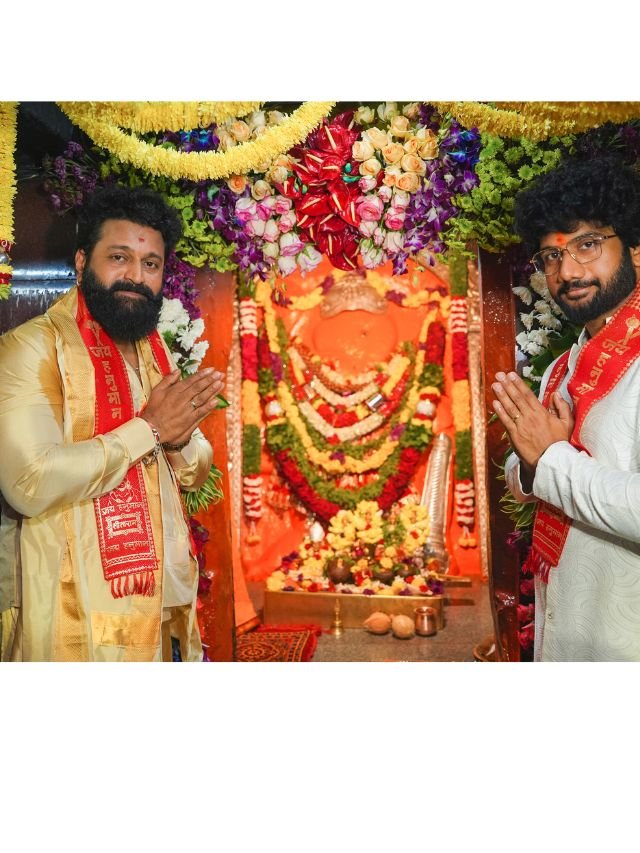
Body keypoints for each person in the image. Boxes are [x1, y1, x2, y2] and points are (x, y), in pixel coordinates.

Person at [0, 186, 225, 662]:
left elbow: (195, 469)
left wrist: (180, 438)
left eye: (151, 264)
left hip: (163, 599)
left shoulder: (153, 349)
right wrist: (151, 430)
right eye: (118, 257)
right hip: (74, 604)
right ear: (82, 262)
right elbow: (30, 482)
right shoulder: (33, 348)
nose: (135, 277)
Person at [493, 157, 640, 662]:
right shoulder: (566, 362)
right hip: (567, 629)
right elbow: (527, 471)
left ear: (636, 251)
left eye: (588, 244)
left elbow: (552, 463)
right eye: (551, 256)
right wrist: (536, 459)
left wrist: (550, 457)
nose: (568, 271)